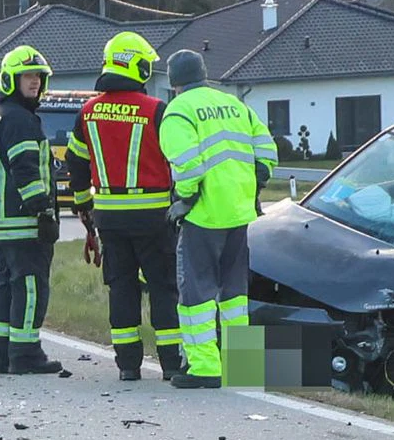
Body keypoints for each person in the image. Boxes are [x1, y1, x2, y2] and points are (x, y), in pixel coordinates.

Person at [71, 29, 185, 381]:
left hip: (109, 219)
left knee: (121, 287)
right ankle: (170, 364)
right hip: (154, 217)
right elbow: (178, 160)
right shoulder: (156, 110)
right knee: (163, 288)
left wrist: (84, 208)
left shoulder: (88, 112)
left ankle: (127, 366)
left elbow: (76, 163)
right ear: (138, 67)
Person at [154, 47, 270, 389]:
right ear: (204, 75)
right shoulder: (234, 104)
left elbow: (188, 166)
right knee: (235, 293)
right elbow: (266, 153)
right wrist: (251, 187)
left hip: (204, 216)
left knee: (197, 294)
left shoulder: (178, 111)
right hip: (238, 212)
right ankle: (243, 366)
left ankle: (205, 367)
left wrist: (185, 199)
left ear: (174, 82)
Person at [0, 46, 70, 375]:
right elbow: (25, 169)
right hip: (23, 221)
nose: (34, 82)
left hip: (3, 221)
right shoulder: (20, 119)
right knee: (31, 286)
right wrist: (42, 210)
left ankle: (1, 354)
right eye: (27, 76)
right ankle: (26, 353)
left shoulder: (2, 113)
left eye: (38, 77)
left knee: (5, 285)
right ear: (10, 80)